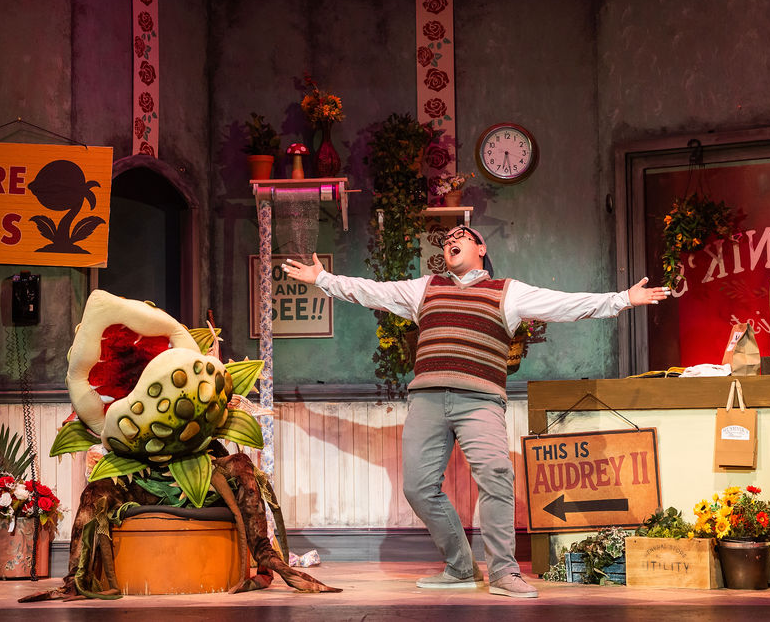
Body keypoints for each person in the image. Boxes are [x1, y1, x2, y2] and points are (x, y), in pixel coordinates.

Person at [281, 225, 669, 598]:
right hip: (428, 399)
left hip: (480, 400)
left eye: (461, 236)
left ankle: (504, 572)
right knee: (417, 487)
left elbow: (564, 303)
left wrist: (622, 299)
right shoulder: (424, 289)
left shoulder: (507, 293)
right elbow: (371, 291)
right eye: (447, 238)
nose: (451, 240)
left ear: (481, 248)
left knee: (496, 476)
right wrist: (323, 279)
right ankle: (461, 567)